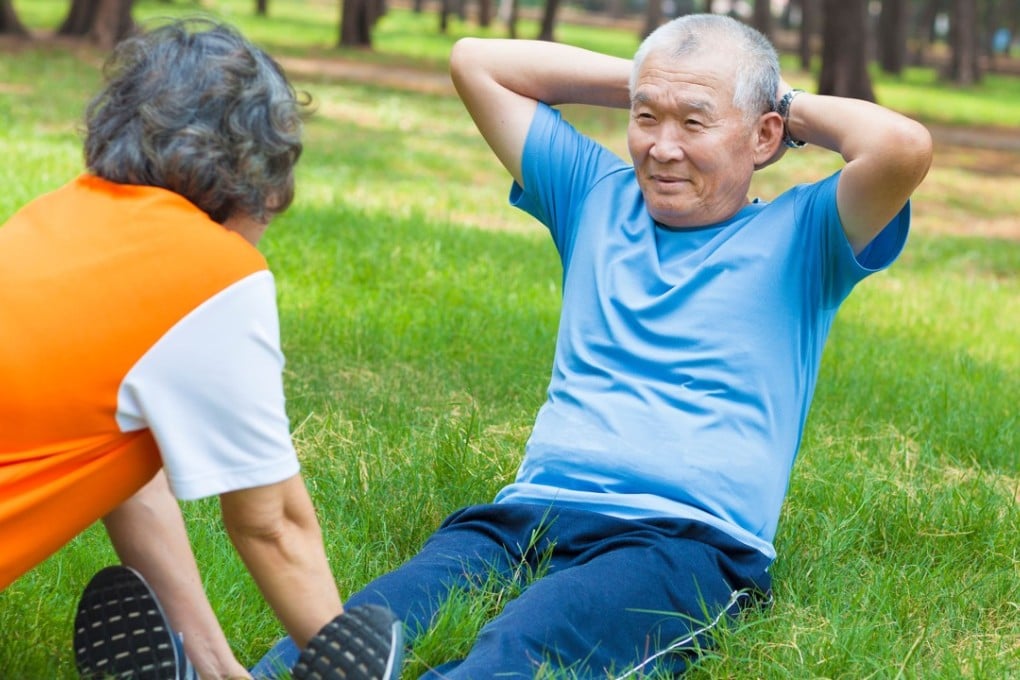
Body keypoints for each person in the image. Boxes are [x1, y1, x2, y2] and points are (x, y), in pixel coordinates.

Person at [253, 13, 933, 678]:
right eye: (646, 119)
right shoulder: (595, 195)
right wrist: (654, 82)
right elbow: (476, 62)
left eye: (694, 123)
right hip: (525, 516)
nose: (662, 147)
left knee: (520, 649)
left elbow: (901, 146)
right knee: (362, 623)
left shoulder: (807, 235)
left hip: (681, 541)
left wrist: (767, 98)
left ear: (765, 138)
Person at [0, 19, 402, 680]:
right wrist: (345, 660)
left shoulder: (51, 217)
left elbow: (119, 463)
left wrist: (220, 667)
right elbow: (272, 525)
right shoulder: (213, 272)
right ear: (255, 173)